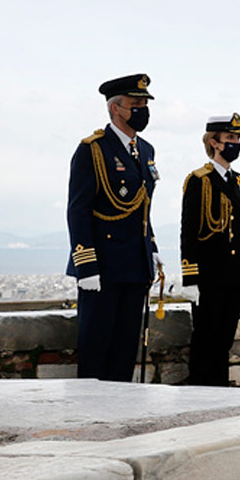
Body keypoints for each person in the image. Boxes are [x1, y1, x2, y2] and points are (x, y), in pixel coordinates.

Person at [65, 73, 163, 381]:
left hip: (135, 265)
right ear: (114, 109)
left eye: (145, 104)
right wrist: (85, 266)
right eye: (135, 104)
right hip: (103, 267)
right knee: (96, 349)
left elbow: (142, 207)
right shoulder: (93, 149)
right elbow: (78, 211)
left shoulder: (146, 150)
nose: (142, 110)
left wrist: (153, 248)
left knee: (124, 352)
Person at [179, 114, 240, 386]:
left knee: (224, 342)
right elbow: (189, 232)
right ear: (214, 142)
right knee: (207, 341)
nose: (236, 143)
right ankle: (201, 395)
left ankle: (219, 396)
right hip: (209, 276)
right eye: (230, 138)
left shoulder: (237, 180)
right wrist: (190, 278)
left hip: (235, 275)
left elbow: (235, 229)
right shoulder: (199, 180)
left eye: (238, 138)